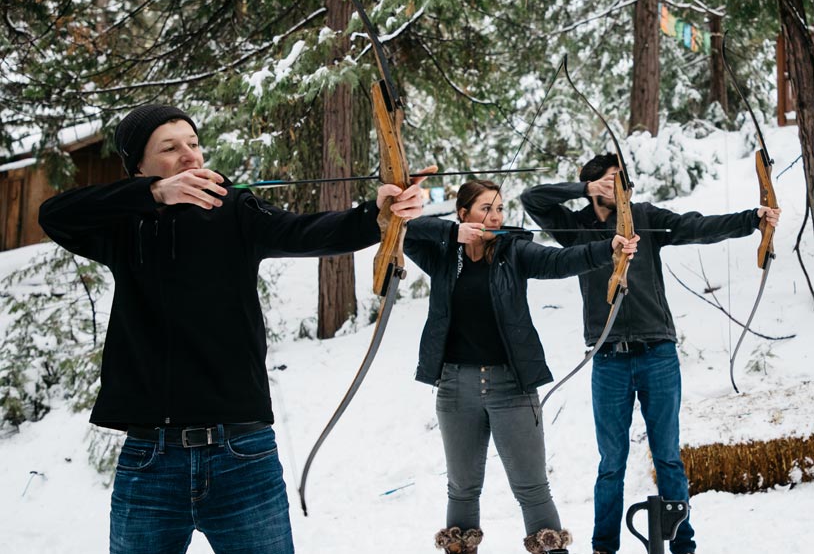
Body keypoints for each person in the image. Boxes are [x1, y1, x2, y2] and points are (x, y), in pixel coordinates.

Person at [38, 104, 430, 554]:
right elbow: (55, 214)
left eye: (193, 143)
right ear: (140, 168)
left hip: (242, 454)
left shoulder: (234, 210)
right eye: (169, 148)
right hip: (150, 457)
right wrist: (155, 196)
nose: (189, 156)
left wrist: (378, 215)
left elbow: (309, 232)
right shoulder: (122, 227)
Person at [520, 153, 782, 554]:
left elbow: (695, 226)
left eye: (623, 181)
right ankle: (604, 547)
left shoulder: (643, 215)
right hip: (608, 356)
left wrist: (752, 219)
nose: (620, 188)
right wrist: (586, 190)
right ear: (593, 185)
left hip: (657, 352)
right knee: (611, 464)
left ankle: (682, 547)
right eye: (610, 181)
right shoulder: (577, 226)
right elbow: (532, 198)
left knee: (668, 458)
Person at [403, 179, 639, 554]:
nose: (495, 217)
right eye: (485, 209)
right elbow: (405, 231)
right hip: (455, 387)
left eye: (499, 209)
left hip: (511, 386)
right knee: (462, 488)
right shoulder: (444, 255)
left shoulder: (514, 250)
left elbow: (560, 261)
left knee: (532, 487)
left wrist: (607, 249)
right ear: (463, 214)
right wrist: (452, 233)